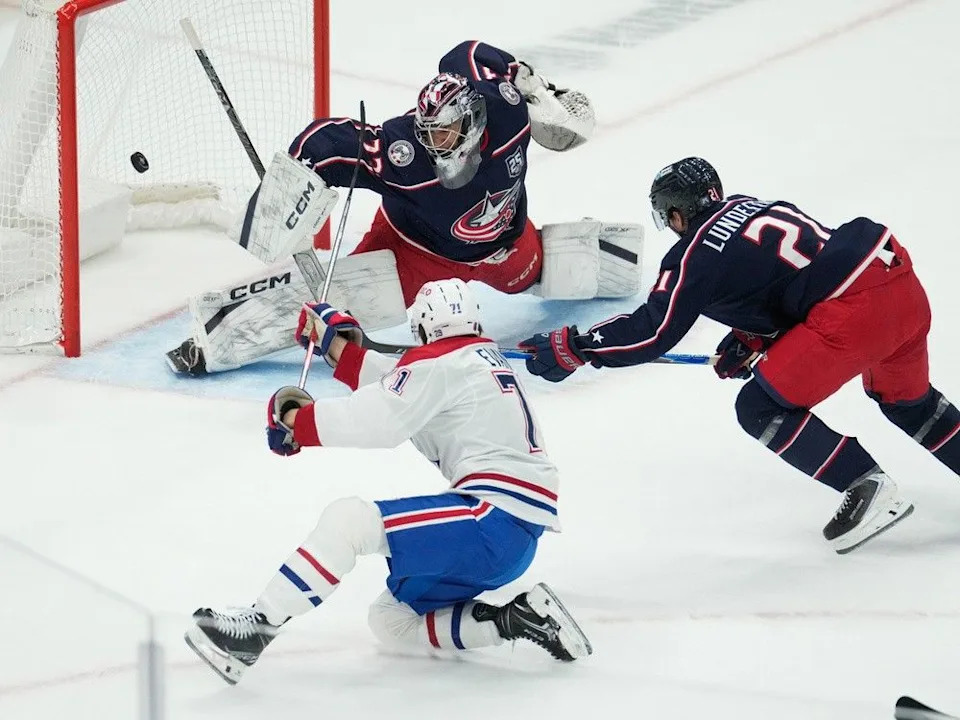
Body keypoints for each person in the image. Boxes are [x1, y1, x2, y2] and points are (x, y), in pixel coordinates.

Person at [518, 156, 960, 554]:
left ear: (676, 213)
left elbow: (654, 330)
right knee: (908, 401)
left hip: (852, 313)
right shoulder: (753, 205)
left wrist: (577, 347)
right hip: (896, 280)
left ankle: (866, 484)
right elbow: (789, 280)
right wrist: (752, 336)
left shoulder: (692, 255)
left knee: (759, 407)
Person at [184, 278, 592, 684]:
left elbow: (381, 417)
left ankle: (254, 631)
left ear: (421, 328)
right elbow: (400, 382)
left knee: (349, 521)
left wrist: (296, 422)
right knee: (391, 621)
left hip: (490, 522)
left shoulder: (439, 366)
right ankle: (515, 619)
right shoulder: (475, 360)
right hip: (512, 540)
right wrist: (338, 348)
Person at [167, 40, 643, 376]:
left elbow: (470, 53)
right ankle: (218, 335)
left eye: (446, 134)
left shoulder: (509, 112)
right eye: (428, 131)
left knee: (541, 271)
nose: (435, 144)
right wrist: (287, 192)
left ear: (475, 122)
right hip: (413, 254)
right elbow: (327, 141)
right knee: (339, 312)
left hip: (506, 247)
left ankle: (606, 256)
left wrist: (536, 87)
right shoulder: (403, 154)